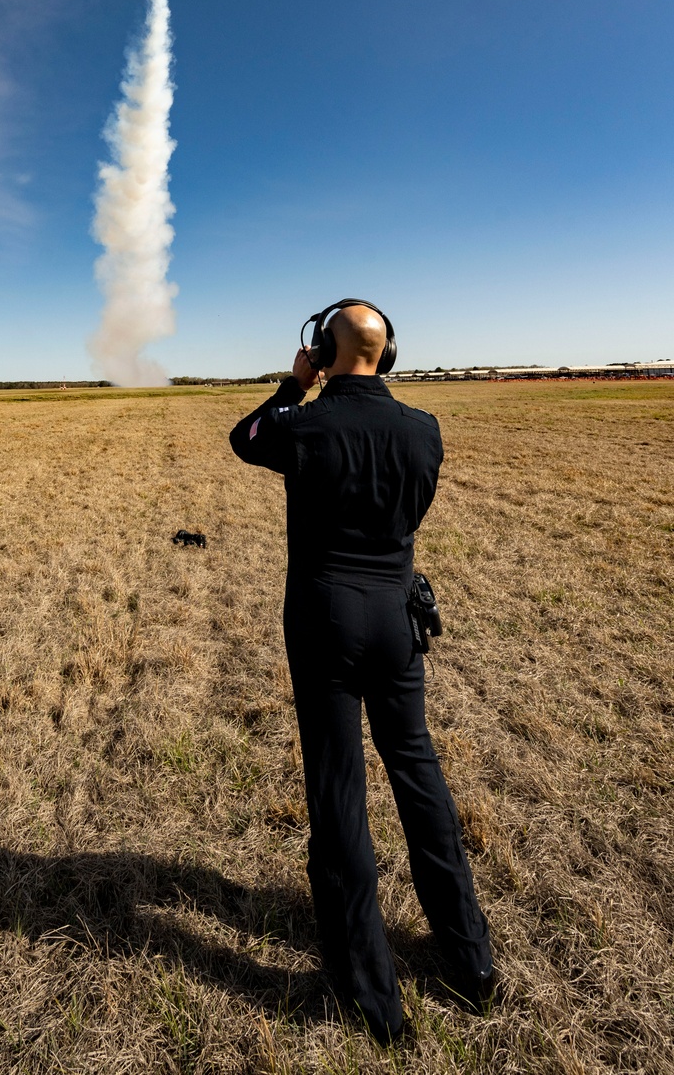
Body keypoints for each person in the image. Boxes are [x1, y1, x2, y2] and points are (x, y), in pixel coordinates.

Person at [229, 300, 494, 1044]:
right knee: (419, 773)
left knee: (339, 788)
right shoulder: (424, 430)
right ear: (390, 353)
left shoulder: (301, 425)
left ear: (322, 349)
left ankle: (371, 991)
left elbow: (244, 439)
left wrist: (293, 387)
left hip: (325, 624)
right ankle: (471, 960)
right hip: (398, 618)